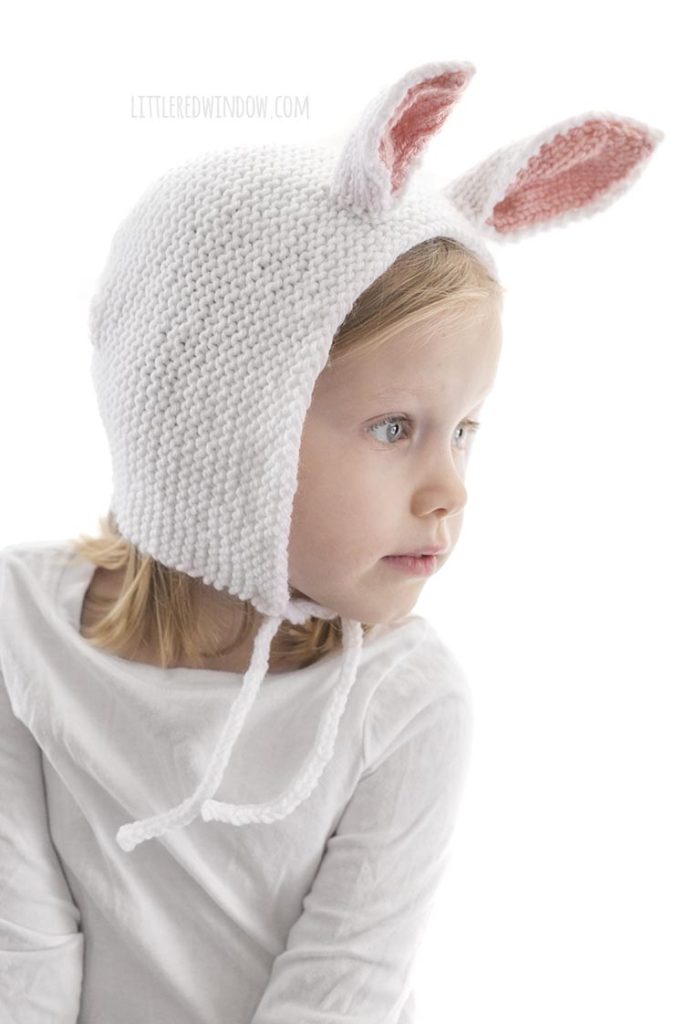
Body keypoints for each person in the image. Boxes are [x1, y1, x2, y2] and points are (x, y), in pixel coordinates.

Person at [0, 60, 662, 1023]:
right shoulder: (20, 628)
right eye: (397, 427)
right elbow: (20, 956)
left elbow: (336, 994)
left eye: (466, 429)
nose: (450, 490)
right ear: (221, 426)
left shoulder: (403, 703)